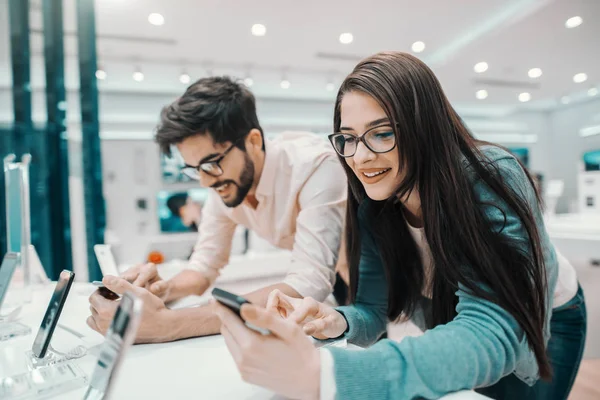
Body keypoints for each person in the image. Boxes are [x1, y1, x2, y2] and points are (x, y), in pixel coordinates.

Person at [213, 52, 587, 400]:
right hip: (461, 320)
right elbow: (375, 311)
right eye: (348, 138)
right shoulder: (376, 208)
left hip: (548, 316)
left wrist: (326, 372)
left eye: (382, 133)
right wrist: (335, 320)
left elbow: (493, 333)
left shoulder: (490, 178)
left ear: (425, 127)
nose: (360, 157)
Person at [86, 76, 347, 343]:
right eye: (194, 169)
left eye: (211, 164)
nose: (205, 181)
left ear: (254, 141)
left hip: (371, 273)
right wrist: (162, 289)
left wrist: (172, 324)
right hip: (332, 277)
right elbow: (202, 268)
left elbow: (308, 284)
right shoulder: (222, 183)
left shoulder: (315, 167)